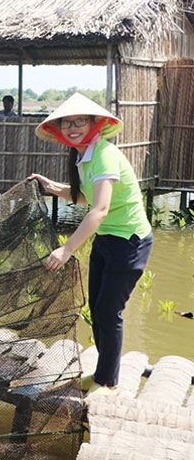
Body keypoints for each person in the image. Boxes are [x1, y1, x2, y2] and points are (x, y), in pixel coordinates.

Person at [29, 92, 152, 396]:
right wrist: (54, 187)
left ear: (94, 123)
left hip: (129, 241)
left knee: (110, 312)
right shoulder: (83, 155)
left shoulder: (104, 154)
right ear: (59, 129)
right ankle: (103, 374)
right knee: (97, 310)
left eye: (79, 122)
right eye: (67, 123)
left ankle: (107, 382)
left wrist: (67, 248)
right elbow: (87, 198)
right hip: (107, 239)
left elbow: (100, 210)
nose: (73, 127)